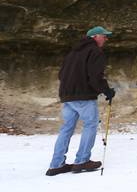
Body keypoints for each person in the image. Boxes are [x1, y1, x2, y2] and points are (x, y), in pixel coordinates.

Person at [46, 26, 116, 176]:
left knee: (66, 129)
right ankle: (82, 161)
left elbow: (61, 75)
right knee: (90, 124)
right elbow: (96, 76)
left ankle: (56, 165)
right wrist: (107, 91)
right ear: (95, 36)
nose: (106, 39)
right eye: (104, 36)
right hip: (83, 96)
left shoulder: (72, 53)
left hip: (67, 96)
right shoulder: (95, 52)